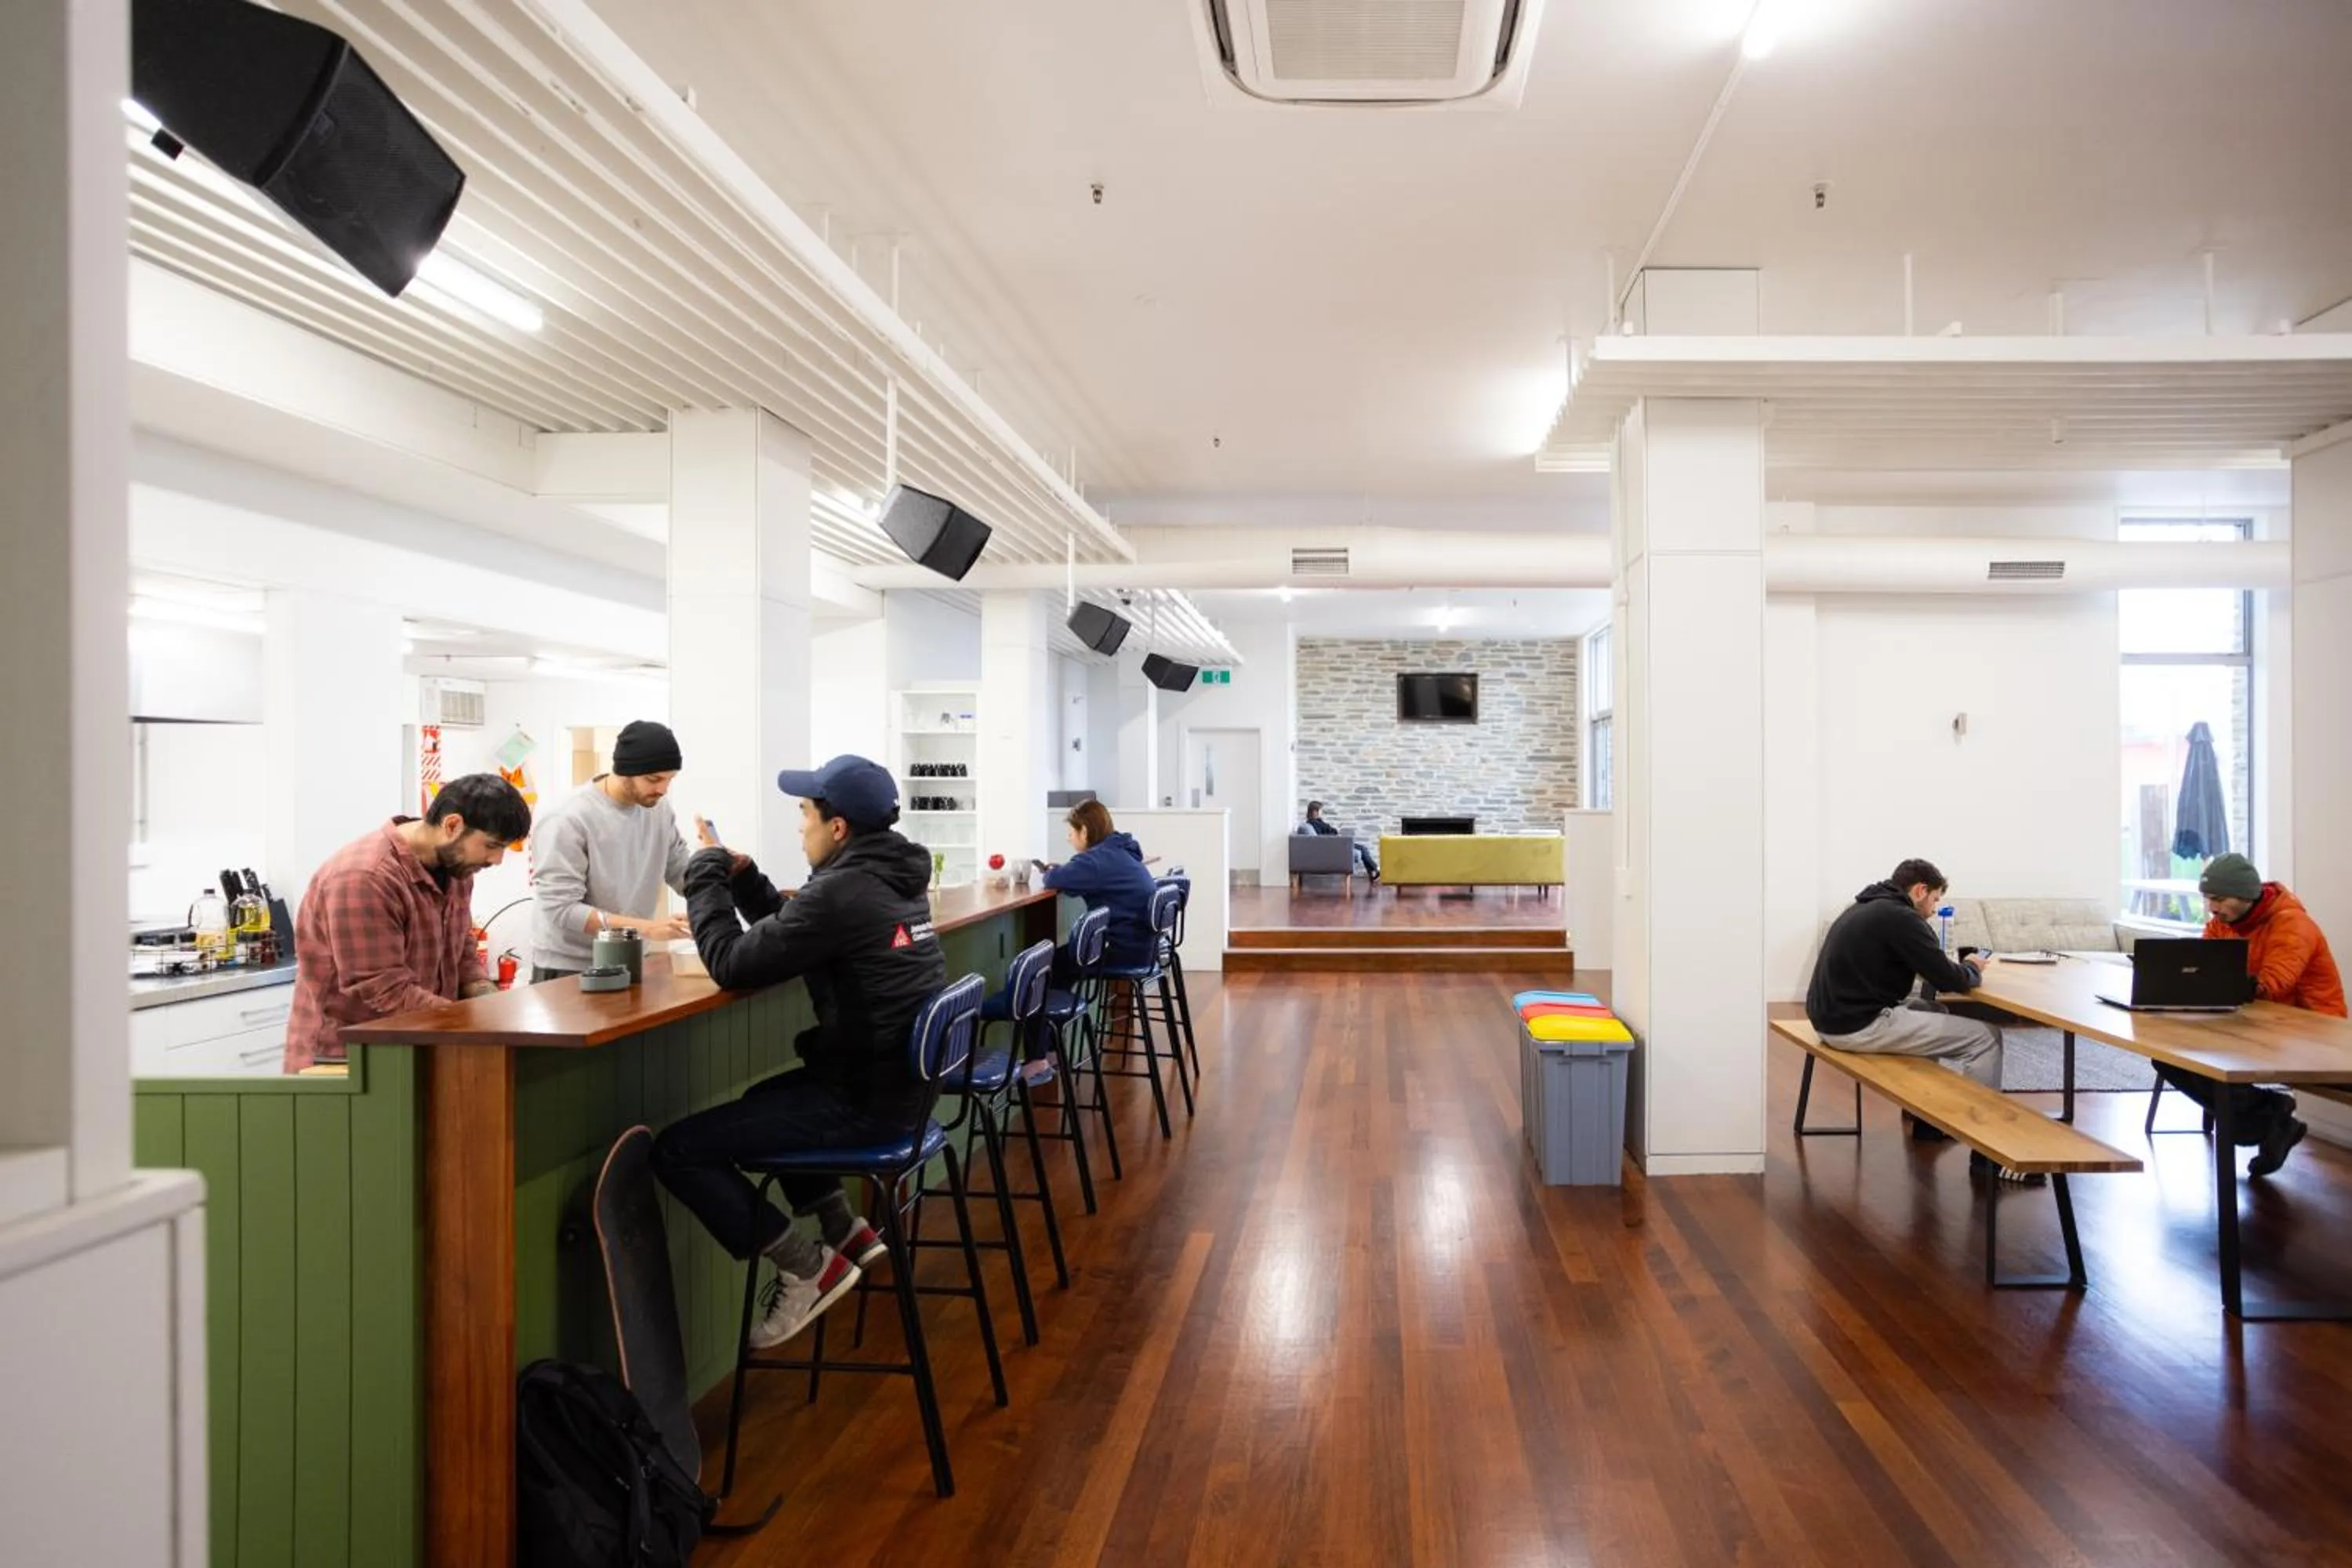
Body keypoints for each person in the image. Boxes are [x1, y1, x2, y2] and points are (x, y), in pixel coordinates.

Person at [650, 755, 946, 1350]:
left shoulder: (842, 891)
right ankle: (844, 1230)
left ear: (838, 828)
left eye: (806, 813)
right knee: (766, 1099)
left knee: (677, 1151)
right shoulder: (889, 876)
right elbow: (797, 932)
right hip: (904, 1091)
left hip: (868, 1102)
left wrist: (704, 878)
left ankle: (807, 1268)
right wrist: (745, 881)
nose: (799, 826)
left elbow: (732, 964)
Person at [1804, 858, 2036, 1183]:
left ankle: (1927, 1122)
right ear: (1920, 891)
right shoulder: (1902, 918)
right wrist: (1972, 967)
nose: (1934, 909)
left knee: (1933, 1011)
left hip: (1830, 1018)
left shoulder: (1865, 907)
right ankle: (1986, 1155)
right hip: (1857, 1025)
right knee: (1986, 1038)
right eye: (1935, 900)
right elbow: (1950, 979)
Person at [281, 773, 532, 1073]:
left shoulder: (457, 869)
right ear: (453, 825)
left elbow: (461, 945)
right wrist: (468, 1020)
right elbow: (381, 988)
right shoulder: (366, 877)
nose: (497, 860)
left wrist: (487, 1000)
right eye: (492, 845)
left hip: (416, 1044)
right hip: (344, 1060)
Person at [2151, 853, 2344, 1177]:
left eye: (2219, 899)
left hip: (2312, 1032)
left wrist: (2214, 982)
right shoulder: (2223, 923)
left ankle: (2263, 1123)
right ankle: (2271, 1121)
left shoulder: (2293, 924)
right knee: (2170, 1057)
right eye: (2208, 899)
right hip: (2259, 1023)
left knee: (2205, 1058)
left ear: (2246, 895)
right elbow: (2204, 967)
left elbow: (2274, 984)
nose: (2212, 908)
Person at [528, 720, 694, 982]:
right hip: (570, 966)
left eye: (669, 779)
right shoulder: (568, 818)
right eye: (654, 779)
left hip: (631, 957)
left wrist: (720, 871)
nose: (662, 790)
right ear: (625, 771)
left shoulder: (659, 810)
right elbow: (561, 909)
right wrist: (649, 929)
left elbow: (682, 873)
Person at [1044, 800, 1160, 971]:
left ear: (1084, 831)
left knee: (1046, 967)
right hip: (1144, 948)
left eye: (1071, 833)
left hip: (1122, 952)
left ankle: (1068, 991)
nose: (1069, 839)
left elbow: (1052, 880)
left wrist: (1050, 870)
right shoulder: (1122, 851)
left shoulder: (1094, 861)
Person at [1299, 799, 1378, 882]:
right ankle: (1376, 870)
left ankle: (1373, 872)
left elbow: (1328, 832)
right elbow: (1322, 838)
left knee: (1363, 848)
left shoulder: (1318, 822)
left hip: (1335, 843)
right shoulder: (1313, 823)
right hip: (1334, 845)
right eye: (1321, 810)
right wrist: (1335, 833)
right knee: (1363, 849)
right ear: (1315, 812)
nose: (1322, 812)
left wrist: (1335, 831)